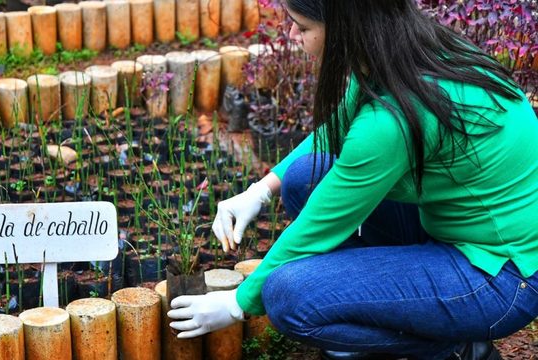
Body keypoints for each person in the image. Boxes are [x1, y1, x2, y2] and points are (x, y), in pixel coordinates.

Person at [167, 1, 538, 359]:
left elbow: (322, 224)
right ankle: (379, 304)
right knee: (301, 178)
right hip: (455, 230)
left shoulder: (392, 118)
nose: (293, 34)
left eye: (304, 26)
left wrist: (237, 303)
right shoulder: (403, 53)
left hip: (501, 276)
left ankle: (452, 346)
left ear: (346, 27)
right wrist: (260, 190)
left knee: (287, 296)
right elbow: (337, 129)